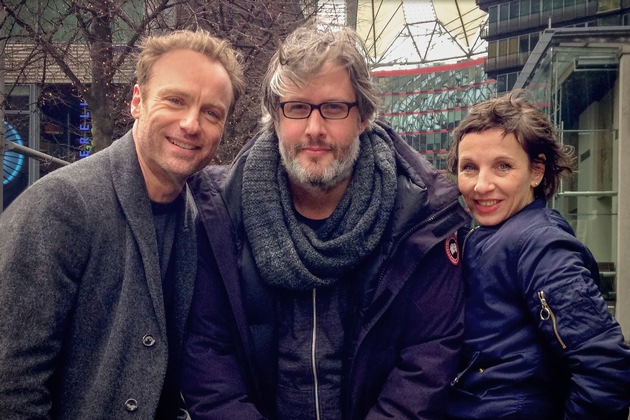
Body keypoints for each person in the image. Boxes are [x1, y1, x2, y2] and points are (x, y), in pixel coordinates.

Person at [182, 23, 471, 420]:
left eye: (334, 108)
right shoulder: (219, 213)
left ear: (363, 117)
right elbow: (207, 355)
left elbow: (428, 357)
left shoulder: (420, 214)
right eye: (297, 108)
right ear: (276, 117)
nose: (314, 129)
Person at [0, 29, 244, 418]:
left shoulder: (201, 224)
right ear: (137, 102)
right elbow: (11, 386)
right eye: (175, 100)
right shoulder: (63, 206)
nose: (191, 123)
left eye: (211, 112)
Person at [445, 91, 630, 419]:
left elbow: (605, 368)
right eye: (469, 167)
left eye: (502, 166)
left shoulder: (540, 245)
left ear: (536, 171)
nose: (481, 185)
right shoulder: (486, 235)